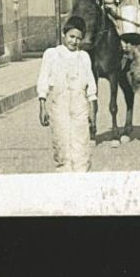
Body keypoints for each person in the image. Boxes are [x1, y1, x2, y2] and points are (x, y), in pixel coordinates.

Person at [37, 16, 99, 172]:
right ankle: (65, 184)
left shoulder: (84, 57)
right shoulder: (51, 54)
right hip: (60, 105)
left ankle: (81, 183)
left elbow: (90, 85)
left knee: (81, 148)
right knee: (62, 146)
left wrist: (92, 111)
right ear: (64, 35)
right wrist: (42, 105)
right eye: (72, 36)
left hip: (80, 106)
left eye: (79, 38)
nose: (74, 41)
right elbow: (43, 79)